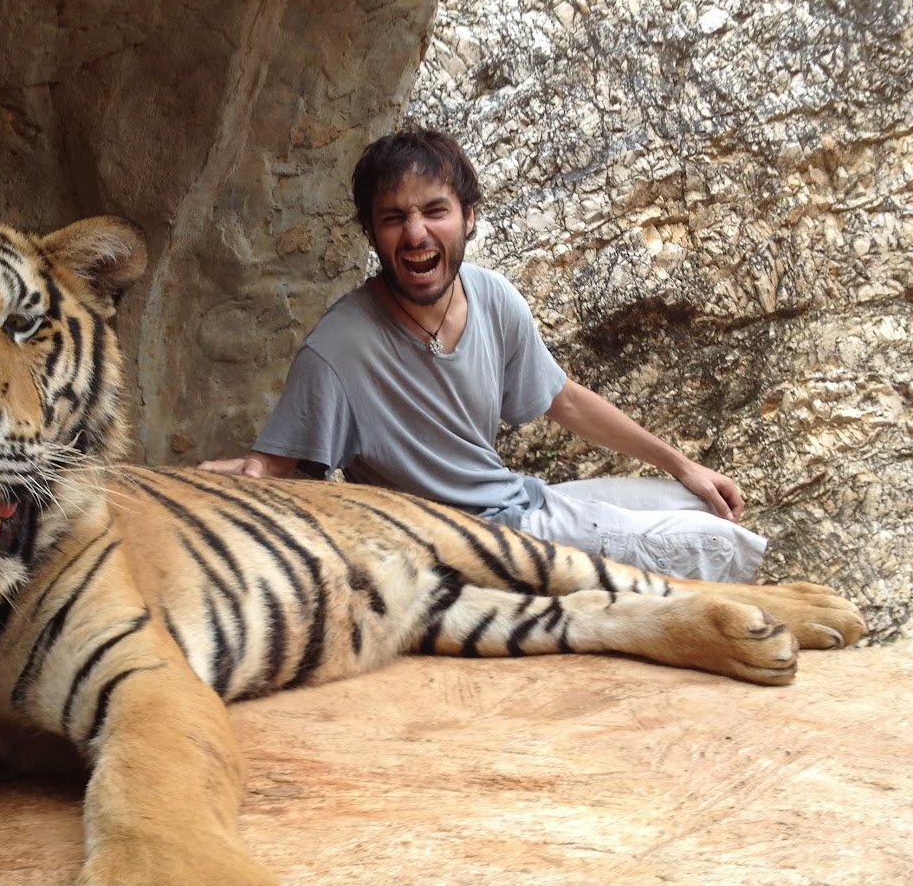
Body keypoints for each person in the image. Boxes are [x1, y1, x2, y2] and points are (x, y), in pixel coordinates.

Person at [200, 126, 766, 582]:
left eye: (434, 210)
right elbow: (273, 467)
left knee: (696, 505)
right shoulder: (338, 349)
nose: (416, 233)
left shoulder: (491, 295)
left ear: (468, 217)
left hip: (523, 500)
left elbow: (564, 400)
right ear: (372, 236)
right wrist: (233, 479)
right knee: (724, 543)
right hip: (475, 548)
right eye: (393, 218)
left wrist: (684, 466)